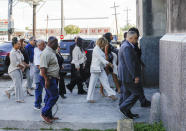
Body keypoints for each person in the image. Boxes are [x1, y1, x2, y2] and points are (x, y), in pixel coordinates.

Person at [118, 31, 143, 119]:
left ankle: (127, 111)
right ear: (131, 38)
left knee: (126, 94)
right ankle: (123, 107)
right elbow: (130, 64)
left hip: (125, 75)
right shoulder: (127, 47)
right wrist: (135, 76)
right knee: (136, 93)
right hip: (128, 75)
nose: (136, 40)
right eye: (136, 38)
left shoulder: (125, 45)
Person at [87, 37, 117, 103]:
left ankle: (111, 94)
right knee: (92, 84)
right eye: (105, 43)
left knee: (105, 81)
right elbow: (101, 58)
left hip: (100, 68)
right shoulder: (96, 49)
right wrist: (108, 63)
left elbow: (102, 58)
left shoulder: (99, 49)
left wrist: (106, 64)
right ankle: (89, 98)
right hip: (95, 69)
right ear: (102, 43)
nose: (105, 45)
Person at [128, 27, 151, 107]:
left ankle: (143, 101)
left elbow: (137, 56)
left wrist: (141, 63)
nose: (137, 37)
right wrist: (134, 74)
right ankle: (125, 106)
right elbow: (131, 60)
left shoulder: (134, 44)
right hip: (132, 70)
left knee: (138, 87)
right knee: (135, 88)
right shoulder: (129, 45)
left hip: (136, 67)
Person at [40, 36, 59, 124]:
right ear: (50, 43)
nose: (57, 44)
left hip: (52, 77)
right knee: (54, 96)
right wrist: (46, 80)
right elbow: (43, 69)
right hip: (48, 78)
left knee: (49, 96)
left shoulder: (51, 51)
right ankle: (44, 113)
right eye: (56, 43)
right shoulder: (46, 53)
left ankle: (49, 115)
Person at [5, 37, 25, 103]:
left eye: (20, 44)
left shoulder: (18, 51)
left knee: (18, 83)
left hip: (18, 69)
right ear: (14, 45)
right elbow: (15, 63)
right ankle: (18, 99)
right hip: (13, 70)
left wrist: (20, 52)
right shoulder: (12, 52)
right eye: (18, 44)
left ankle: (8, 91)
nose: (19, 45)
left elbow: (22, 58)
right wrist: (22, 66)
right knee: (18, 84)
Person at [33, 40, 46, 110]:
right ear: (38, 46)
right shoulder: (37, 51)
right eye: (43, 45)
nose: (44, 46)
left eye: (44, 45)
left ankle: (39, 103)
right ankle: (37, 104)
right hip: (39, 71)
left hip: (41, 70)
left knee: (41, 89)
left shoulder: (41, 50)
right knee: (38, 89)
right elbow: (38, 65)